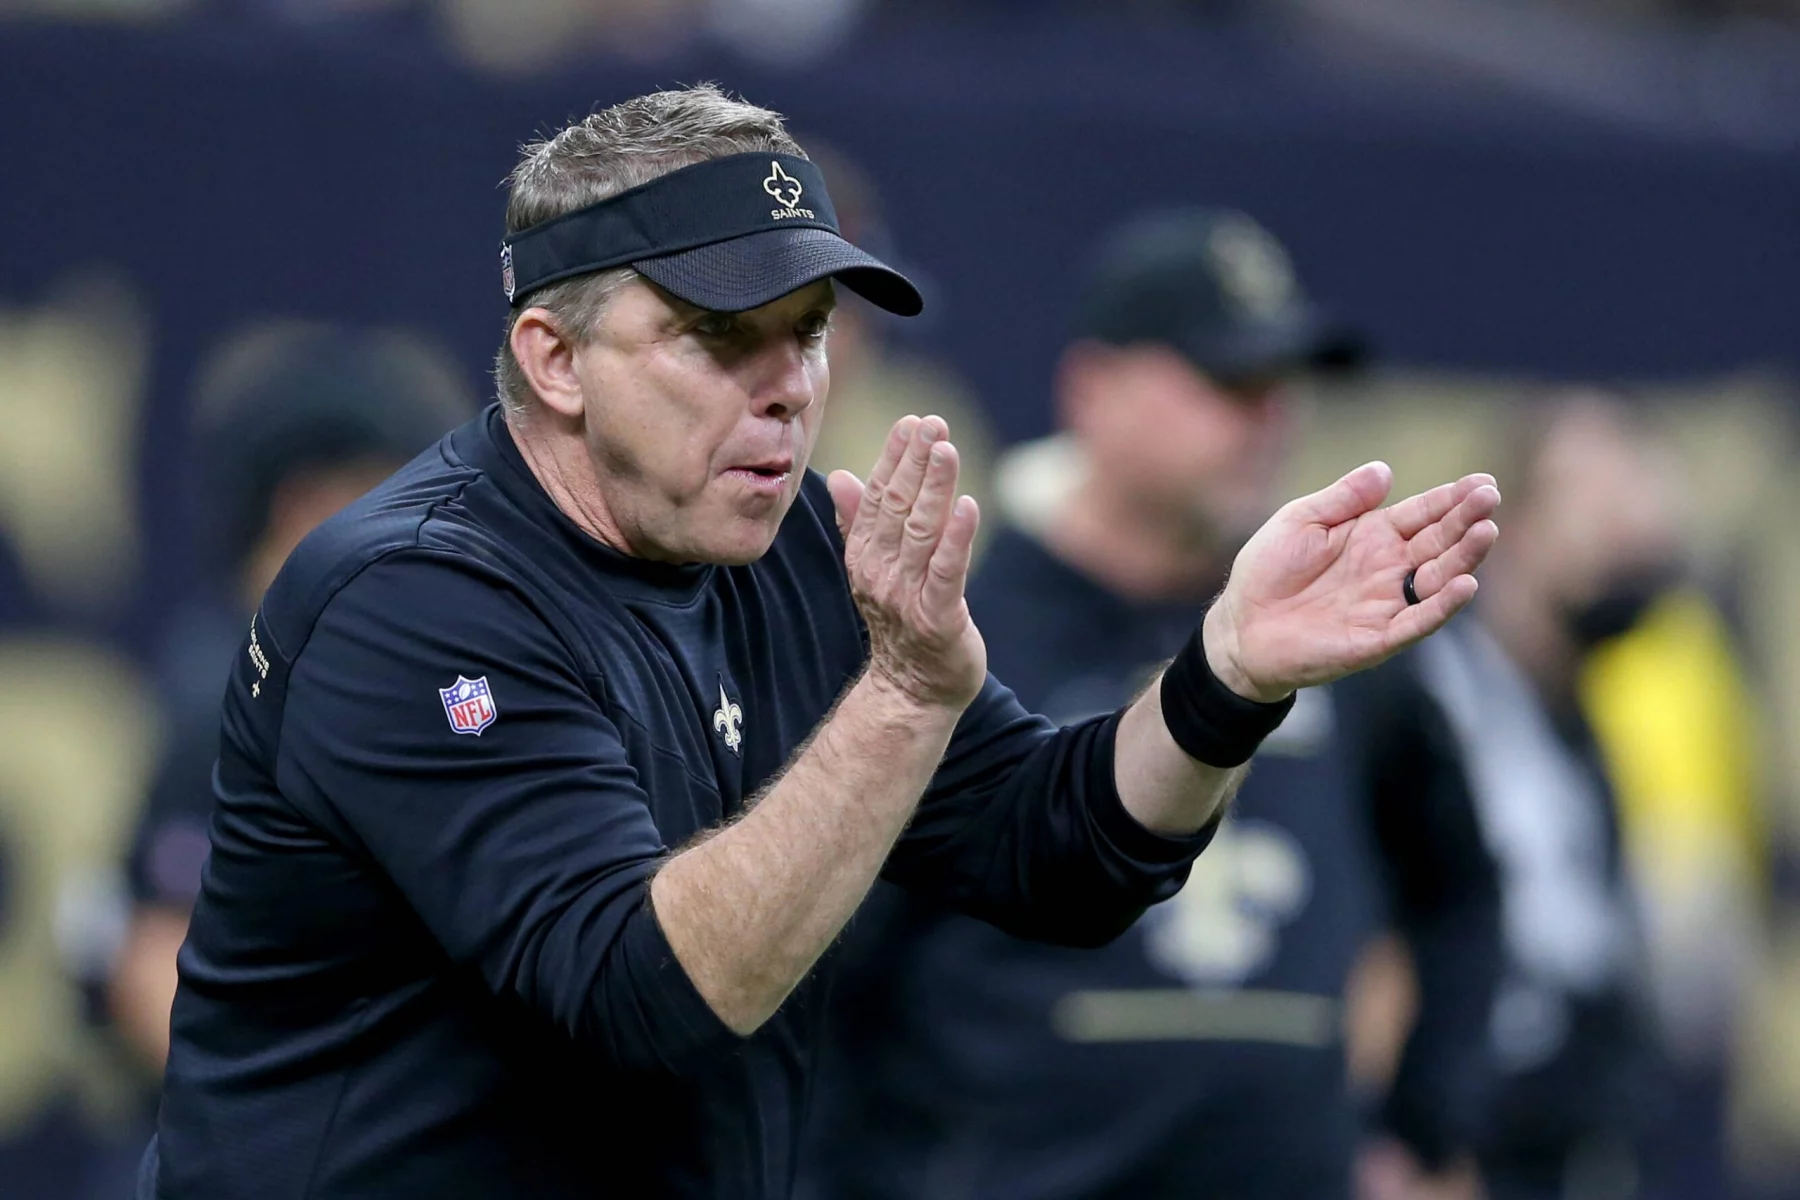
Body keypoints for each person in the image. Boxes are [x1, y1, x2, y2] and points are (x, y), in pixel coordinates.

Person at [141, 85, 1500, 1199]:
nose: (789, 388)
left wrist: (1226, 677)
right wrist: (903, 700)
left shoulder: (781, 551)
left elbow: (1061, 845)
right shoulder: (412, 597)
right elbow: (647, 992)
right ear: (556, 360)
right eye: (722, 337)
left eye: (808, 334)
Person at [803, 209, 1502, 1200]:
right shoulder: (954, 628)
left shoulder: (1334, 636)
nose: (1270, 419)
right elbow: (830, 960)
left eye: (1284, 385)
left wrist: (1427, 1128)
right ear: (1095, 389)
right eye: (1228, 383)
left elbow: (1460, 886)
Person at [111, 322, 475, 1076]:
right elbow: (155, 956)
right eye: (396, 492)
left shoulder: (437, 673)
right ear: (301, 505)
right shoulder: (230, 688)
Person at [1410, 395, 1679, 1200]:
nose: (1628, 538)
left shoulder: (1580, 715)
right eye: (1597, 506)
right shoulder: (1430, 700)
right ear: (1516, 527)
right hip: (1463, 1155)